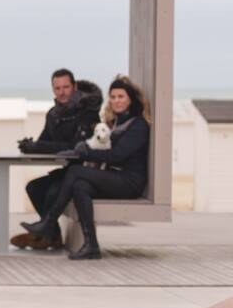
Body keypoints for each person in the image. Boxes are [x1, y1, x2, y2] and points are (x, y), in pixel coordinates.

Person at [18, 75, 151, 260]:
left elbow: (117, 156)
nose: (116, 101)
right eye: (113, 97)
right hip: (115, 177)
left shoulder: (138, 125)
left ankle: (49, 221)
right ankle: (91, 245)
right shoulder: (117, 123)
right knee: (80, 185)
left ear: (131, 99)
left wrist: (85, 152)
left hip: (130, 182)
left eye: (121, 96)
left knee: (75, 171)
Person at [11, 68, 103, 250]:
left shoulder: (88, 112)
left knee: (52, 191)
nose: (62, 92)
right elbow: (44, 143)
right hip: (66, 170)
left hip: (85, 172)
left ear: (74, 87)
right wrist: (30, 146)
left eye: (66, 87)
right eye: (57, 88)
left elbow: (75, 147)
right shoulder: (53, 113)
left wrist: (40, 146)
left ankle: (45, 235)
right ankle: (52, 236)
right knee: (33, 187)